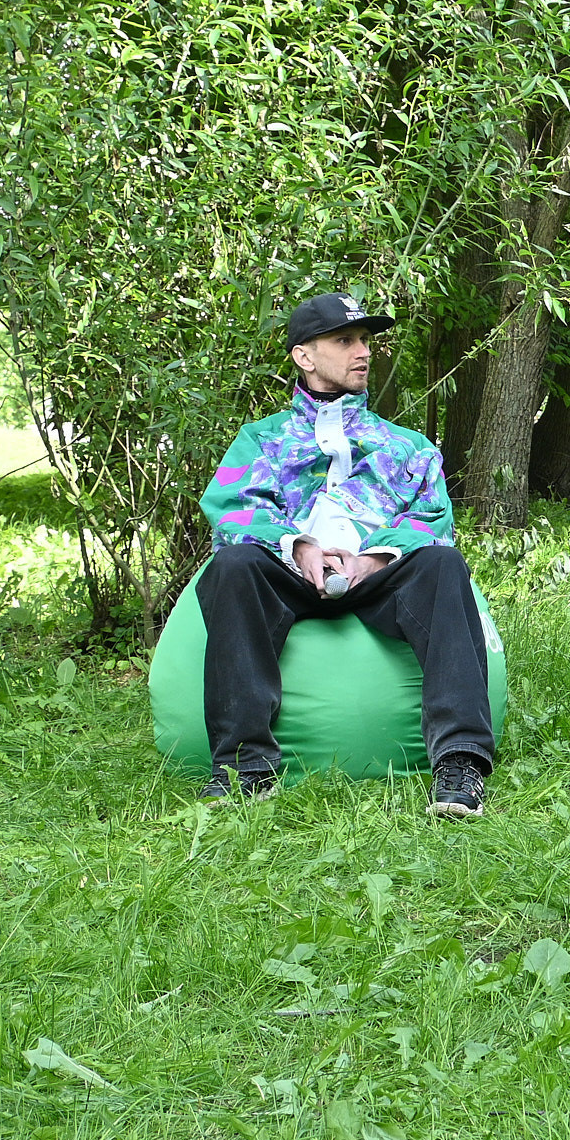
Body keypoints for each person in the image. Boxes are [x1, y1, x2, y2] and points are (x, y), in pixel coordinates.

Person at [196, 294, 496, 816]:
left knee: (444, 564)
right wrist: (298, 547)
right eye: (344, 341)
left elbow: (432, 518)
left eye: (365, 340)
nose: (363, 352)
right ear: (304, 356)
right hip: (289, 574)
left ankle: (460, 762)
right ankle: (244, 768)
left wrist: (373, 558)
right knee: (233, 566)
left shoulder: (407, 447)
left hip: (377, 578)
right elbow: (234, 508)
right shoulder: (262, 440)